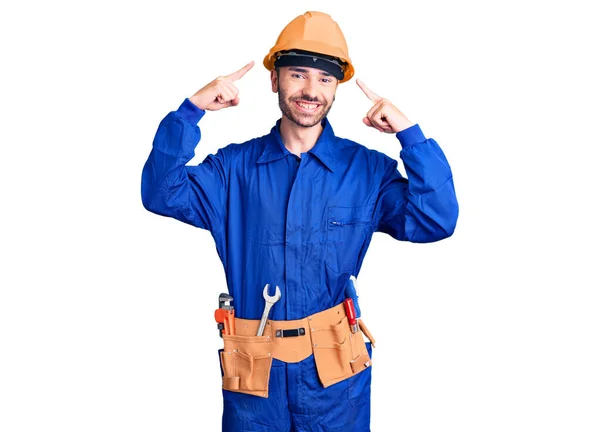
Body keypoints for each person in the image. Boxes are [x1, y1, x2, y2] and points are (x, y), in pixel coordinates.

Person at [141, 10, 458, 432]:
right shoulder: (232, 170)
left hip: (334, 380)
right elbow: (160, 192)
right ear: (275, 79)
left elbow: (436, 219)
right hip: (255, 379)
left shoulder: (367, 172)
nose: (311, 89)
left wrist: (411, 136)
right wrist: (189, 112)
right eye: (297, 75)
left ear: (337, 88)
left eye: (325, 79)